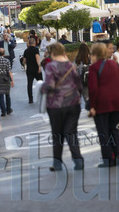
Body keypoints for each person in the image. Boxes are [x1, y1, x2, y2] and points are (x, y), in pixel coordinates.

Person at [41, 42, 84, 171]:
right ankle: (78, 160)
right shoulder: (71, 66)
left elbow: (49, 85)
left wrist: (41, 88)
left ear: (52, 53)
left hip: (56, 105)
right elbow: (79, 85)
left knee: (57, 134)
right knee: (71, 133)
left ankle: (57, 163)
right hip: (73, 104)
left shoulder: (50, 66)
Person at [88, 43, 119, 167]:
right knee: (114, 130)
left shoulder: (94, 68)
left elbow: (93, 89)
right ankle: (118, 155)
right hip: (116, 102)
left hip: (102, 104)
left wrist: (92, 106)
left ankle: (108, 159)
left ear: (95, 55)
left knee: (103, 132)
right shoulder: (114, 64)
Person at [23, 38, 43, 103]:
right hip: (36, 69)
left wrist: (26, 64)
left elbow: (24, 61)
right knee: (41, 83)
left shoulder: (26, 51)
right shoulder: (36, 49)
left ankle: (30, 99)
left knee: (29, 84)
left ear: (29, 43)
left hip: (29, 70)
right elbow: (37, 58)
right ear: (34, 43)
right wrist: (39, 66)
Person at [75, 43, 91, 110]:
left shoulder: (77, 59)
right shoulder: (89, 57)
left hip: (80, 80)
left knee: (84, 95)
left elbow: (76, 70)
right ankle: (90, 108)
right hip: (89, 78)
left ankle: (87, 107)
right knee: (89, 94)